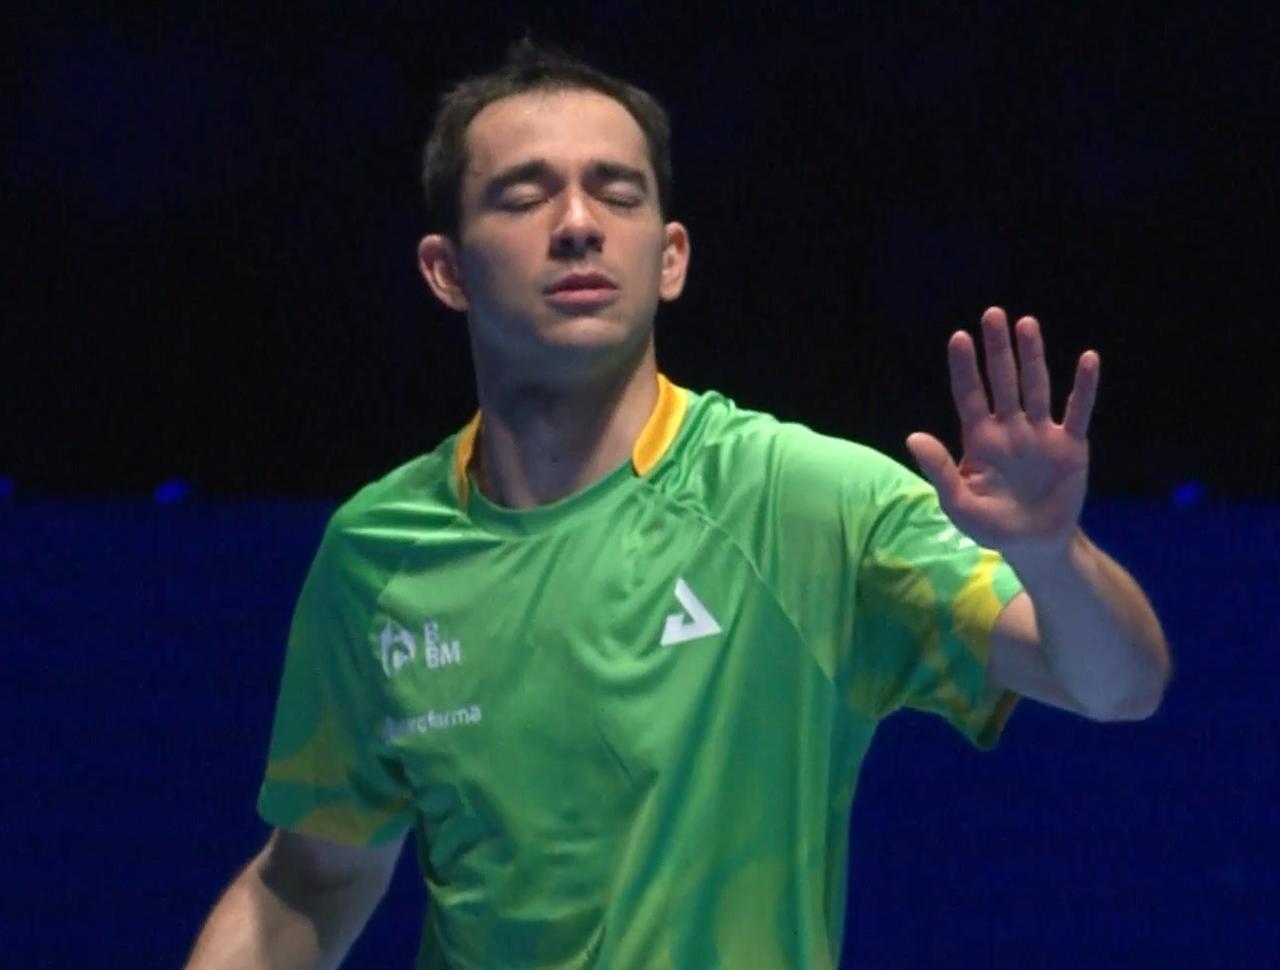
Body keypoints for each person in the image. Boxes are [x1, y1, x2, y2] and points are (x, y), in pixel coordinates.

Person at [183, 38, 1170, 970]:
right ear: (446, 270)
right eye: (523, 196)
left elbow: (1117, 684)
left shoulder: (798, 500)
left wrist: (1053, 557)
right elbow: (310, 877)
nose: (578, 223)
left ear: (670, 257)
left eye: (617, 193)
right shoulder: (377, 551)